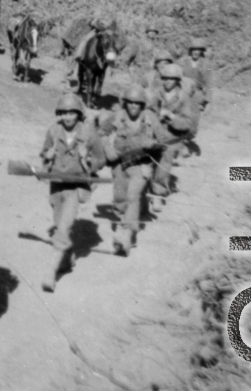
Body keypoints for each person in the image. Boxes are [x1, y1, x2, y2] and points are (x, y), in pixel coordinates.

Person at [39, 93, 105, 291]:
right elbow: (44, 153)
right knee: (60, 223)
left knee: (63, 227)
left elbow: (100, 160)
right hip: (57, 185)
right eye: (64, 113)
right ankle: (66, 259)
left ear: (79, 114)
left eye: (72, 113)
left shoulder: (89, 134)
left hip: (76, 187)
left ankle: (51, 273)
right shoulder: (53, 131)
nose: (68, 117)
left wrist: (88, 160)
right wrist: (47, 156)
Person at [98, 83, 166, 253]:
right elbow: (101, 133)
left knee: (132, 195)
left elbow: (164, 141)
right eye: (130, 102)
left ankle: (128, 232)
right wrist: (108, 149)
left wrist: (154, 145)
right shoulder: (117, 116)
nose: (133, 106)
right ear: (125, 103)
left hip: (142, 164)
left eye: (137, 103)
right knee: (120, 197)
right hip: (120, 164)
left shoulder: (150, 118)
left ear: (142, 104)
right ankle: (126, 218)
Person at [148, 63, 198, 198]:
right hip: (156, 131)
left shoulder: (183, 97)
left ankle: (158, 190)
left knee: (166, 154)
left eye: (170, 79)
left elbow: (187, 123)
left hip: (174, 135)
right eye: (164, 78)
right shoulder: (157, 93)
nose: (167, 82)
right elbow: (148, 111)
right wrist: (155, 117)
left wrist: (172, 117)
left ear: (177, 80)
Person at [181, 37, 212, 111]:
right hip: (184, 91)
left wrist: (207, 101)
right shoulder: (184, 61)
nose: (195, 52)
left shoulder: (205, 64)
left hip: (197, 93)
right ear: (191, 51)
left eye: (198, 50)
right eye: (194, 50)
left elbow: (209, 83)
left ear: (201, 51)